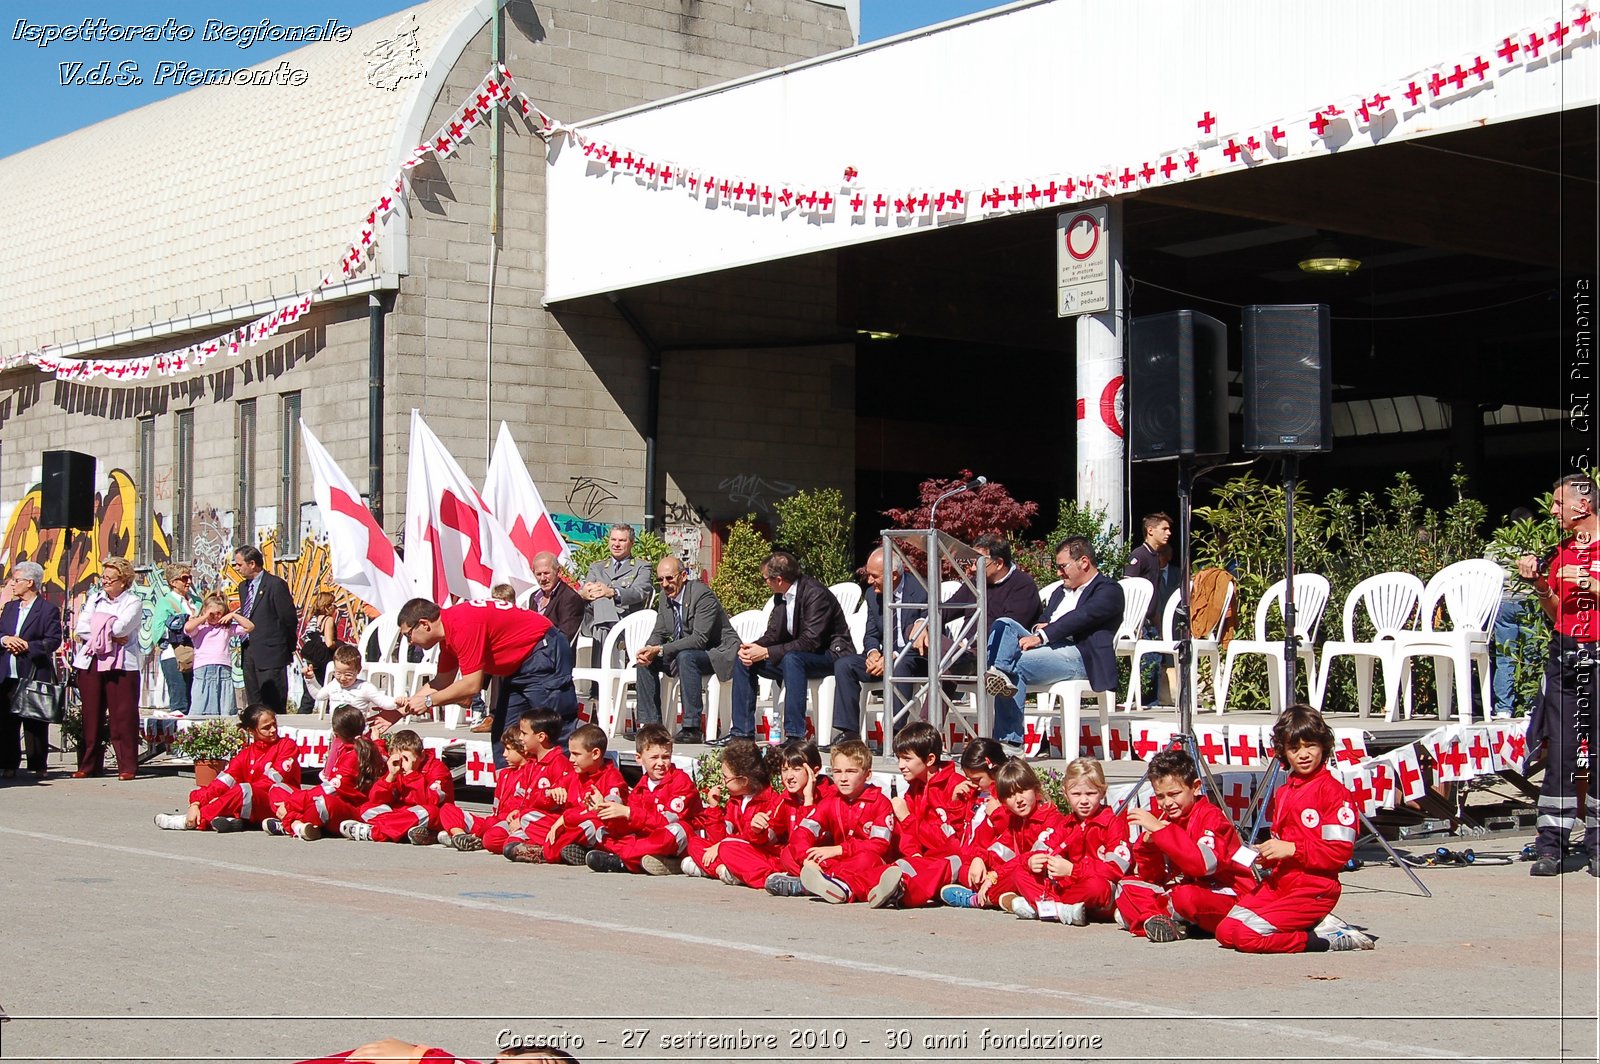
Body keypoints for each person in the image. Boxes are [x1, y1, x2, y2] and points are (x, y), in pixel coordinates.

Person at [1216, 704, 1373, 952]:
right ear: (1283, 753)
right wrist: (1265, 856)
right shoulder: (1284, 792)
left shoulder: (1334, 793)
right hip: (1280, 883)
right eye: (1294, 748)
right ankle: (1312, 925)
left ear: (1324, 746)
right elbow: (1282, 844)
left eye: (1310, 745)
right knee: (1226, 932)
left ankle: (1326, 940)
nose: (1303, 754)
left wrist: (1293, 849)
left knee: (1247, 938)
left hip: (1314, 888)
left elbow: (1340, 852)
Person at [1517, 473, 1600, 878]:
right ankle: (1551, 846)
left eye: (1557, 503)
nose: (1552, 510)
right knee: (1561, 753)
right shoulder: (1561, 551)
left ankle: (1599, 848)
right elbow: (1557, 613)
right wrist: (1539, 587)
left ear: (1582, 506)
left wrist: (1588, 582)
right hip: (1565, 655)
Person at [396, 596, 577, 765]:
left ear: (424, 624)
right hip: (519, 665)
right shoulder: (449, 634)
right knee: (505, 737)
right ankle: (507, 794)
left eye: (408, 635)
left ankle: (563, 789)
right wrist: (397, 713)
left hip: (542, 650)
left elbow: (472, 686)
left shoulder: (463, 624)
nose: (409, 642)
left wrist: (428, 702)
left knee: (551, 729)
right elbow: (442, 681)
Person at [984, 536, 1124, 752]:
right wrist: (1039, 630)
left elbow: (1081, 617)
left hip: (1080, 656)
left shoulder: (1108, 590)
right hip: (1049, 648)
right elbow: (1044, 619)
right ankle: (998, 670)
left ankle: (1009, 742)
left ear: (1084, 562)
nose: (1058, 573)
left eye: (1062, 567)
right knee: (1004, 624)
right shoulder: (1061, 591)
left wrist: (1041, 636)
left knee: (1016, 665)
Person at [1115, 748, 1252, 942]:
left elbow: (1203, 865)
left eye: (1174, 794)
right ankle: (1161, 921)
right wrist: (1148, 846)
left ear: (1195, 787)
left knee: (1184, 897)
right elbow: (1152, 877)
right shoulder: (1167, 819)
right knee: (1128, 886)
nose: (1167, 803)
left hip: (1229, 894)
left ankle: (1150, 917)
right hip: (1185, 890)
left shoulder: (1211, 817)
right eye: (1160, 796)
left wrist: (1161, 832)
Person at [723, 550, 853, 745]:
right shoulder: (781, 595)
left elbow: (811, 641)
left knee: (793, 658)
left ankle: (795, 735)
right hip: (796, 656)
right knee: (744, 660)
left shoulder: (815, 594)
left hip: (830, 655)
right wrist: (753, 647)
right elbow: (774, 633)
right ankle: (742, 733)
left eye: (766, 579)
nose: (765, 583)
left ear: (779, 579)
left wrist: (766, 652)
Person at [771, 737, 897, 903]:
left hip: (865, 861)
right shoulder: (830, 801)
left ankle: (818, 884)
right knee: (788, 853)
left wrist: (839, 850)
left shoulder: (881, 803)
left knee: (868, 860)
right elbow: (803, 832)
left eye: (851, 772)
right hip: (836, 862)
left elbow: (878, 845)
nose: (843, 778)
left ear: (867, 775)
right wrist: (806, 859)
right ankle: (824, 880)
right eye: (837, 772)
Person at [633, 555, 741, 743]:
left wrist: (660, 649)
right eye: (660, 580)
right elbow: (659, 631)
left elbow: (700, 639)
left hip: (716, 652)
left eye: (669, 578)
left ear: (683, 576)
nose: (665, 584)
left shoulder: (702, 595)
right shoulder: (665, 598)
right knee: (645, 663)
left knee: (686, 657)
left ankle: (692, 727)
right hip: (686, 652)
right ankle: (651, 727)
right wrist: (648, 649)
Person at [862, 721, 969, 909]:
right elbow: (906, 834)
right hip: (924, 859)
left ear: (929, 760)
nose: (901, 765)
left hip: (951, 860)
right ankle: (844, 884)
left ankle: (902, 895)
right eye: (899, 758)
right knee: (881, 865)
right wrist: (913, 853)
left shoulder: (955, 786)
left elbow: (950, 843)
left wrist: (907, 818)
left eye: (907, 759)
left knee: (935, 867)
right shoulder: (914, 788)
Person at [1011, 757, 1130, 924]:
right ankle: (1059, 909)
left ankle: (1045, 907)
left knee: (1098, 887)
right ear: (1066, 794)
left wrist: (1073, 870)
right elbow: (1040, 849)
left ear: (1103, 792)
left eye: (1091, 793)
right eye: (1076, 794)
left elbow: (1116, 868)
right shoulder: (1065, 824)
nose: (1083, 801)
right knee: (1020, 874)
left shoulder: (1113, 823)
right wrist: (1033, 861)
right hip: (1068, 887)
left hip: (1095, 893)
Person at [940, 757, 1065, 911]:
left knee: (1014, 875)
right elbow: (1001, 850)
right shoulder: (1016, 820)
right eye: (1011, 795)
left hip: (1043, 878)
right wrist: (980, 858)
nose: (1018, 800)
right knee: (969, 870)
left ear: (1036, 789)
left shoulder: (1051, 817)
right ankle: (1010, 900)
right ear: (1003, 801)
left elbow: (1036, 857)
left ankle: (978, 900)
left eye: (1023, 791)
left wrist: (995, 876)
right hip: (1021, 871)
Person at [832, 549, 928, 746]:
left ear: (893, 575)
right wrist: (873, 653)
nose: (869, 581)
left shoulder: (921, 590)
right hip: (885, 657)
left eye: (874, 576)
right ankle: (849, 732)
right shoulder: (872, 595)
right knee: (845, 664)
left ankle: (895, 734)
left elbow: (926, 638)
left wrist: (892, 657)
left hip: (915, 657)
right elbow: (871, 633)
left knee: (899, 667)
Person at [154, 703, 300, 831]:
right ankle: (228, 819)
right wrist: (196, 802)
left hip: (281, 803)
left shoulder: (287, 745)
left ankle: (189, 821)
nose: (273, 730)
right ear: (251, 731)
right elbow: (221, 782)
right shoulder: (245, 754)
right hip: (254, 805)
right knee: (224, 792)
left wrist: (231, 796)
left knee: (243, 791)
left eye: (274, 724)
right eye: (266, 728)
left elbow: (271, 782)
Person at [585, 723, 702, 874]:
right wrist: (605, 809)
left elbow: (665, 822)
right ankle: (653, 861)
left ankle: (623, 861)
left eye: (666, 757)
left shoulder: (681, 781)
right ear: (639, 759)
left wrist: (628, 813)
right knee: (602, 832)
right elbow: (629, 827)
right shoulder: (639, 788)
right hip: (649, 841)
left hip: (677, 842)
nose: (661, 763)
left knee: (678, 830)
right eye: (654, 757)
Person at [719, 738, 833, 890]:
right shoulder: (785, 798)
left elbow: (809, 841)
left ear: (815, 771)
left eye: (796, 769)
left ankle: (809, 883)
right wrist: (757, 830)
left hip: (818, 858)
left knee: (788, 854)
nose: (789, 776)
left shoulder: (830, 796)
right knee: (728, 847)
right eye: (785, 770)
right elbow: (770, 835)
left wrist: (808, 801)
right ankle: (775, 880)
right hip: (790, 861)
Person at [264, 705, 385, 841]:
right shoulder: (369, 747)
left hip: (349, 809)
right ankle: (298, 825)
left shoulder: (354, 755)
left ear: (336, 732)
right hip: (331, 798)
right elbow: (382, 753)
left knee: (323, 804)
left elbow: (328, 790)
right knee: (278, 789)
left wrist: (290, 804)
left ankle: (292, 824)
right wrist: (378, 740)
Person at [72, 557, 144, 780]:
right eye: (103, 577)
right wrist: (107, 631)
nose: (105, 582)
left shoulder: (133, 602)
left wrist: (99, 627)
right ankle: (89, 764)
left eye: (110, 579)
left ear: (123, 581)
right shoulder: (95, 599)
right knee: (91, 714)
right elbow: (80, 628)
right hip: (91, 660)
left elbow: (123, 628)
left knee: (123, 715)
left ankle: (127, 766)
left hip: (123, 663)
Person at [682, 738, 781, 884]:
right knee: (694, 843)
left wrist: (723, 844)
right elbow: (719, 837)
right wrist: (714, 808)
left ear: (744, 780)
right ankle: (723, 871)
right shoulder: (736, 800)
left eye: (726, 778)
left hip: (757, 853)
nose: (722, 782)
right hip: (730, 849)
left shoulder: (770, 800)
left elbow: (759, 841)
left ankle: (713, 870)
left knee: (727, 849)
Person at [0, 561, 63, 780]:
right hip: (8, 672)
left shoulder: (47, 610)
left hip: (33, 671)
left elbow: (53, 641)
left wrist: (28, 646)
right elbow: (0, 632)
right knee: (6, 721)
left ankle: (37, 764)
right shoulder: (9, 608)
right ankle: (8, 764)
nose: (12, 584)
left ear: (30, 582)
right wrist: (5, 639)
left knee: (34, 721)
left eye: (16, 580)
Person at [340, 729, 454, 844]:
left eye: (406, 759)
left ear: (422, 755)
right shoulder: (397, 769)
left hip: (432, 816)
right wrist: (391, 776)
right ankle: (402, 830)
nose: (403, 765)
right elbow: (375, 799)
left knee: (429, 811)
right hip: (403, 815)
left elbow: (428, 802)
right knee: (367, 808)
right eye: (399, 759)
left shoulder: (438, 769)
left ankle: (374, 832)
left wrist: (411, 775)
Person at [498, 709, 579, 862]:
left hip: (548, 821)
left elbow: (561, 803)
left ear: (541, 737)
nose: (520, 738)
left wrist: (524, 815)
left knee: (526, 820)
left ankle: (558, 847)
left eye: (524, 733)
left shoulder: (559, 763)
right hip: (531, 819)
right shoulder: (531, 764)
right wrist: (518, 812)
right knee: (505, 843)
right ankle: (542, 850)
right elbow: (528, 798)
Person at [543, 723, 630, 865]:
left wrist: (566, 818)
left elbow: (607, 814)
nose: (570, 759)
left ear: (595, 753)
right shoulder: (574, 775)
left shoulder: (613, 779)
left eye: (576, 754)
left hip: (598, 830)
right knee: (528, 816)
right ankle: (573, 848)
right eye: (570, 753)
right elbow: (534, 800)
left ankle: (551, 849)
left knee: (591, 826)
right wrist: (549, 794)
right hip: (571, 825)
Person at [578, 523, 654, 670]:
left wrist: (613, 592)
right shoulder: (597, 567)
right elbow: (586, 591)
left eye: (622, 541)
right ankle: (612, 628)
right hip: (591, 621)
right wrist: (582, 594)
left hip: (625, 621)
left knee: (602, 619)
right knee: (600, 602)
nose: (616, 544)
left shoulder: (641, 566)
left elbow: (641, 591)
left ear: (631, 543)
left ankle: (597, 687)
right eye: (613, 540)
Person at [232, 546, 298, 713]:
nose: (237, 568)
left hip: (271, 653)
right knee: (254, 704)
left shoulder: (275, 585)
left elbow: (288, 619)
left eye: (239, 564)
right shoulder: (243, 587)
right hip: (249, 650)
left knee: (272, 704)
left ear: (252, 563)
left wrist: (287, 647)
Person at [1125, 512, 1179, 704]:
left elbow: (1153, 596)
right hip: (1140, 625)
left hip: (1152, 624)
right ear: (1150, 530)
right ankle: (1145, 705)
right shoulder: (1139, 556)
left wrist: (1159, 624)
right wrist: (1133, 626)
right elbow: (1128, 590)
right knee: (1146, 665)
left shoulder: (1155, 557)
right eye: (1164, 528)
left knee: (1155, 663)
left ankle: (1152, 704)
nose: (1168, 533)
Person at [1491, 507, 1537, 719]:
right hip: (1529, 603)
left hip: (1504, 603)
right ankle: (1531, 705)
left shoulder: (1496, 546)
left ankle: (1503, 708)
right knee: (1531, 654)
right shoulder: (1536, 545)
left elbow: (1487, 574)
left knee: (1505, 657)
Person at [185, 591, 255, 718]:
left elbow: (249, 627)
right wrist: (205, 616)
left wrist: (233, 615)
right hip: (204, 669)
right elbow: (188, 628)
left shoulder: (226, 628)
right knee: (202, 700)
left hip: (224, 668)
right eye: (213, 613)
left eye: (219, 613)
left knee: (225, 702)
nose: (216, 617)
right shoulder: (200, 628)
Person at [303, 644, 399, 720]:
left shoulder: (364, 688)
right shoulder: (334, 685)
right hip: (337, 735)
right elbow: (318, 696)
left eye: (348, 674)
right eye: (338, 673)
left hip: (358, 735)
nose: (343, 678)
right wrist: (310, 679)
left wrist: (398, 702)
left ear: (358, 670)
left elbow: (383, 702)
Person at [154, 564, 201, 716]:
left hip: (197, 654)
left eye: (190, 578)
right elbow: (158, 631)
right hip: (174, 655)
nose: (188, 582)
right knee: (180, 698)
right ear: (173, 582)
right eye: (184, 578)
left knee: (195, 698)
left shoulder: (197, 601)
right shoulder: (165, 602)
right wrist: (182, 625)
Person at [529, 553, 584, 646]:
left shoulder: (570, 598)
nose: (542, 578)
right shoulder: (534, 597)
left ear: (558, 571)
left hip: (553, 655)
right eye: (538, 574)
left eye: (546, 573)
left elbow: (564, 637)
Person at [298, 590, 339, 714]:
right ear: (327, 606)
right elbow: (329, 643)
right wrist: (339, 645)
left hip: (311, 659)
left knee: (309, 692)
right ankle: (328, 714)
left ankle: (302, 717)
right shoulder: (328, 620)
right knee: (328, 687)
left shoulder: (312, 619)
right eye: (334, 605)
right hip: (323, 660)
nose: (336, 608)